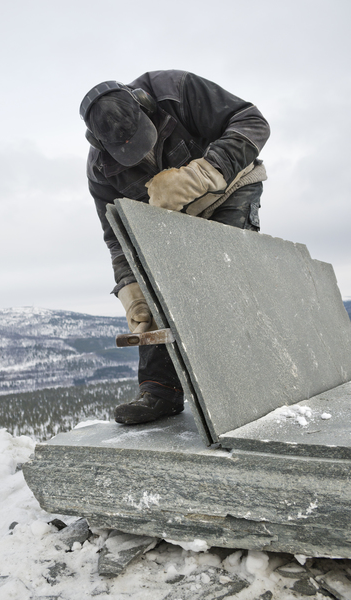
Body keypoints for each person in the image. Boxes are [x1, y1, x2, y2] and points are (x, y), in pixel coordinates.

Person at [80, 70, 270, 425]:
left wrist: (203, 172)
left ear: (144, 105)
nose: (142, 153)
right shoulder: (101, 169)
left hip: (228, 188)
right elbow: (117, 236)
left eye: (143, 139)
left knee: (222, 272)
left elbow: (252, 121)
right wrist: (130, 288)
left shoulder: (174, 91)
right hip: (169, 219)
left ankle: (245, 383)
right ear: (100, 143)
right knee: (154, 289)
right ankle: (159, 390)